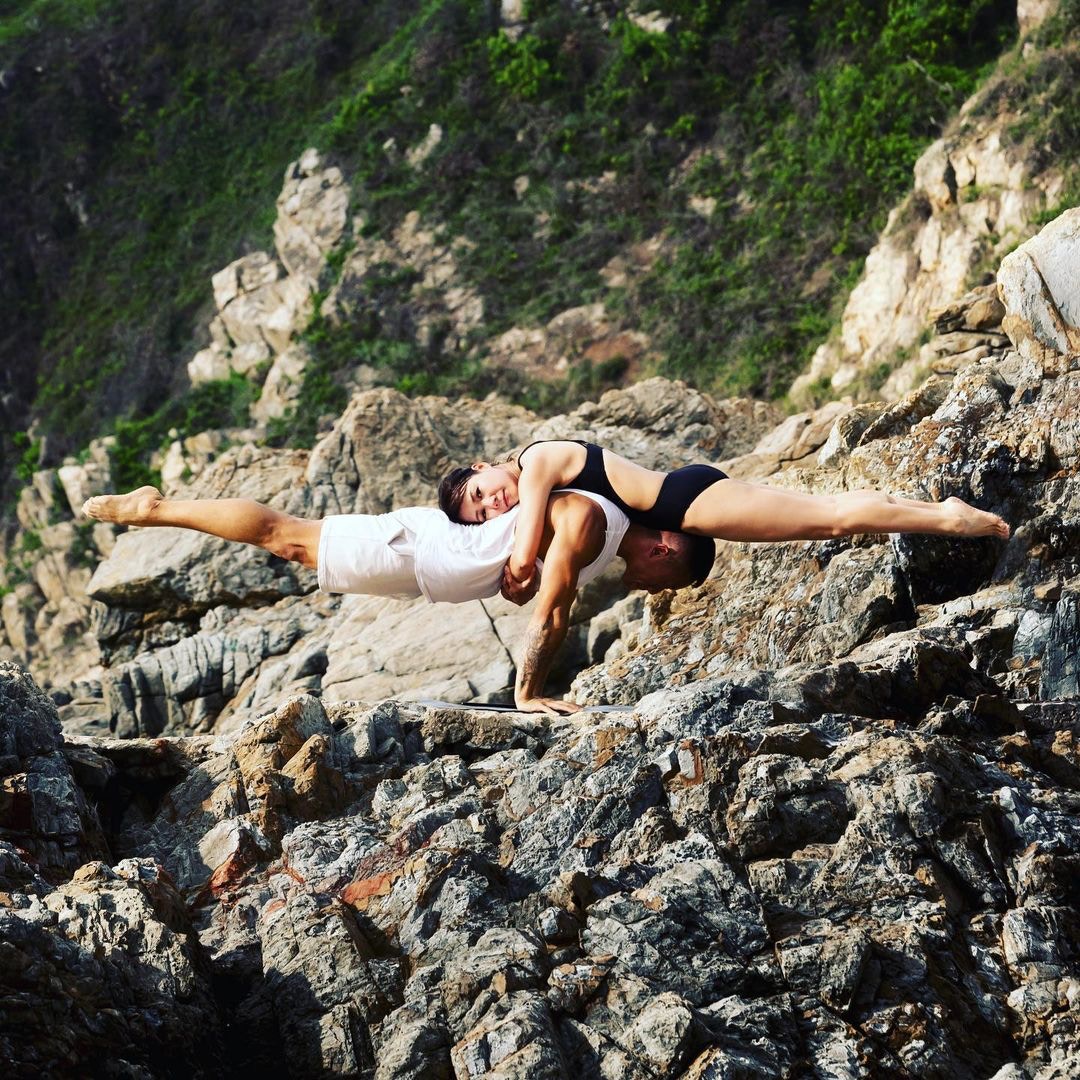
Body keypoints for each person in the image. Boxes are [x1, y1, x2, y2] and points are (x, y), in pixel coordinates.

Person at [83, 485, 714, 714]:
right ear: (664, 550)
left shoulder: (600, 536)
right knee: (287, 538)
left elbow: (530, 574)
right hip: (420, 546)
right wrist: (527, 694)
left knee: (294, 544)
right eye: (670, 581)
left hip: (424, 569)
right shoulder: (593, 521)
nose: (657, 590)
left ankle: (159, 508)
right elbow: (552, 610)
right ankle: (156, 509)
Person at [439, 438, 1010, 602]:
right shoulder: (530, 472)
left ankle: (948, 519)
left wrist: (516, 575)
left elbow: (525, 551)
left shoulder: (535, 462)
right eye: (482, 514)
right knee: (826, 513)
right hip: (684, 495)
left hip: (682, 504)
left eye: (480, 494)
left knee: (831, 521)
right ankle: (934, 512)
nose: (494, 506)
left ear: (483, 466)